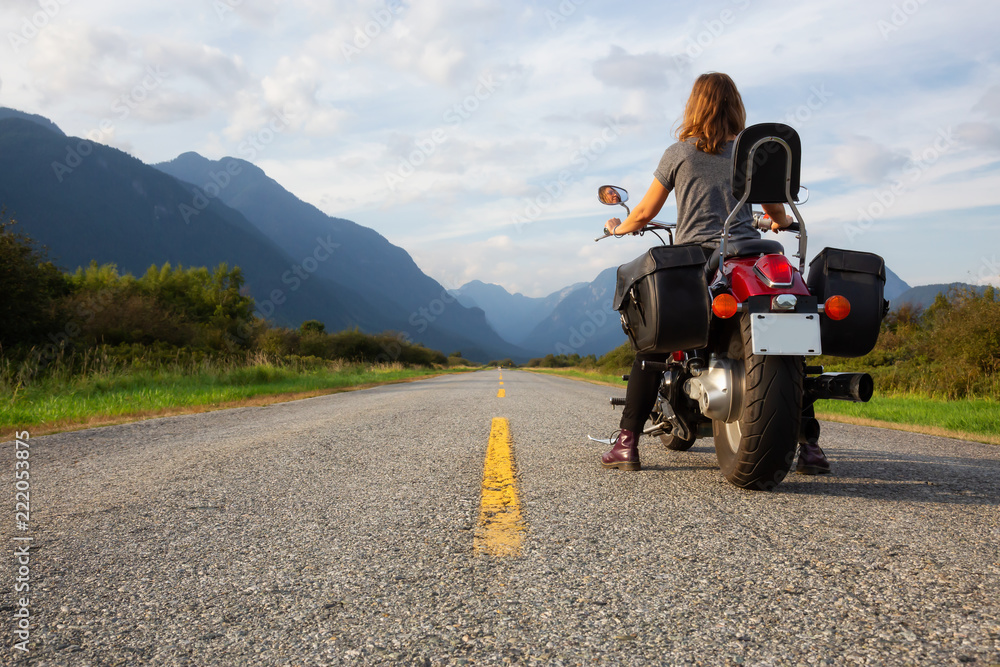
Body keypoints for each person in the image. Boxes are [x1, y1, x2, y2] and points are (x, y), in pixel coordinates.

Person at [600, 72, 830, 475]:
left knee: (654, 343)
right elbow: (776, 213)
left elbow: (644, 214)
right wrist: (775, 223)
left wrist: (618, 227)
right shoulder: (750, 154)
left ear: (694, 106)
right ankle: (809, 446)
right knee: (786, 333)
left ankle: (626, 442)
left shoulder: (679, 153)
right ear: (736, 107)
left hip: (700, 258)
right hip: (749, 256)